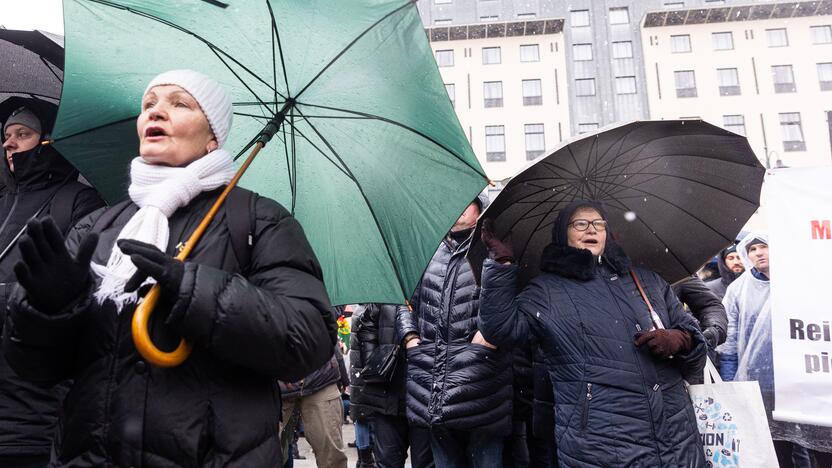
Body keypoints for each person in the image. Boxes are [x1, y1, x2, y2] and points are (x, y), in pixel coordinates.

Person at [2, 69, 336, 466]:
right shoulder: (99, 224)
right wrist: (49, 309)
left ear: (212, 135)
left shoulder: (259, 219)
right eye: (149, 105)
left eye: (179, 103)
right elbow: (36, 368)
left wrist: (192, 289)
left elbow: (307, 337)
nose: (156, 112)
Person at [479, 200, 707, 467]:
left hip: (677, 435)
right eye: (580, 224)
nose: (592, 229)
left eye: (599, 223)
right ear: (563, 233)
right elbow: (500, 330)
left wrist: (680, 340)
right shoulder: (545, 291)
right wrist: (502, 265)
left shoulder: (647, 280)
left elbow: (692, 339)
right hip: (601, 442)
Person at [0, 104, 105, 467]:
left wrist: (7, 295)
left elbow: (84, 293)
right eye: (6, 135)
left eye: (22, 134)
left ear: (48, 141)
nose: (9, 143)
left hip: (37, 409)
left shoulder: (80, 201)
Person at [396, 195, 513, 468]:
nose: (457, 209)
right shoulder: (427, 250)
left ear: (480, 211)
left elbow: (512, 301)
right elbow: (405, 301)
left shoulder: (493, 250)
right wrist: (410, 339)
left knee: (485, 458)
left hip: (482, 380)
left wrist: (490, 337)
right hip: (433, 380)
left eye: (466, 203)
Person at [718, 234, 832, 467]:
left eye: (764, 247)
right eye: (752, 249)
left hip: (806, 381)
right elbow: (730, 342)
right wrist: (732, 384)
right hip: (763, 387)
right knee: (776, 451)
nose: (758, 253)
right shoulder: (738, 290)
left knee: (821, 447)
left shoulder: (805, 281)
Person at [350, 303, 433, 468]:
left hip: (424, 395)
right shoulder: (386, 294)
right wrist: (375, 360)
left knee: (425, 463)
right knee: (387, 461)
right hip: (387, 395)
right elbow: (366, 326)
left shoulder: (430, 286)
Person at [279, 347, 350, 468]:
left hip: (321, 377)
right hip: (275, 379)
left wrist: (343, 376)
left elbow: (330, 333)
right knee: (264, 453)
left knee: (332, 457)